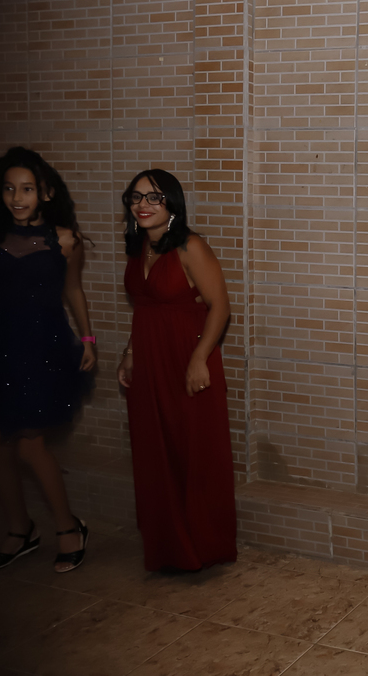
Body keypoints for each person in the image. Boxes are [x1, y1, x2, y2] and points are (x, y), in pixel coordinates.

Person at [117, 169, 236, 572]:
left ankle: (204, 546)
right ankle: (168, 546)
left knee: (195, 452)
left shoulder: (190, 245)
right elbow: (145, 308)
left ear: (172, 204)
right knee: (156, 451)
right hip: (150, 361)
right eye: (136, 197)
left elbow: (220, 307)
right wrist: (130, 353)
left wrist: (200, 358)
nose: (143, 205)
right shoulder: (138, 247)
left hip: (189, 357)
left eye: (154, 197)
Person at [0, 147, 94, 573]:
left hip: (41, 350)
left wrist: (87, 339)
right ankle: (20, 530)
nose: (17, 197)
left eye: (27, 189)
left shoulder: (65, 240)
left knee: (31, 446)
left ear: (45, 192)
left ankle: (69, 528)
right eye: (9, 188)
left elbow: (73, 290)